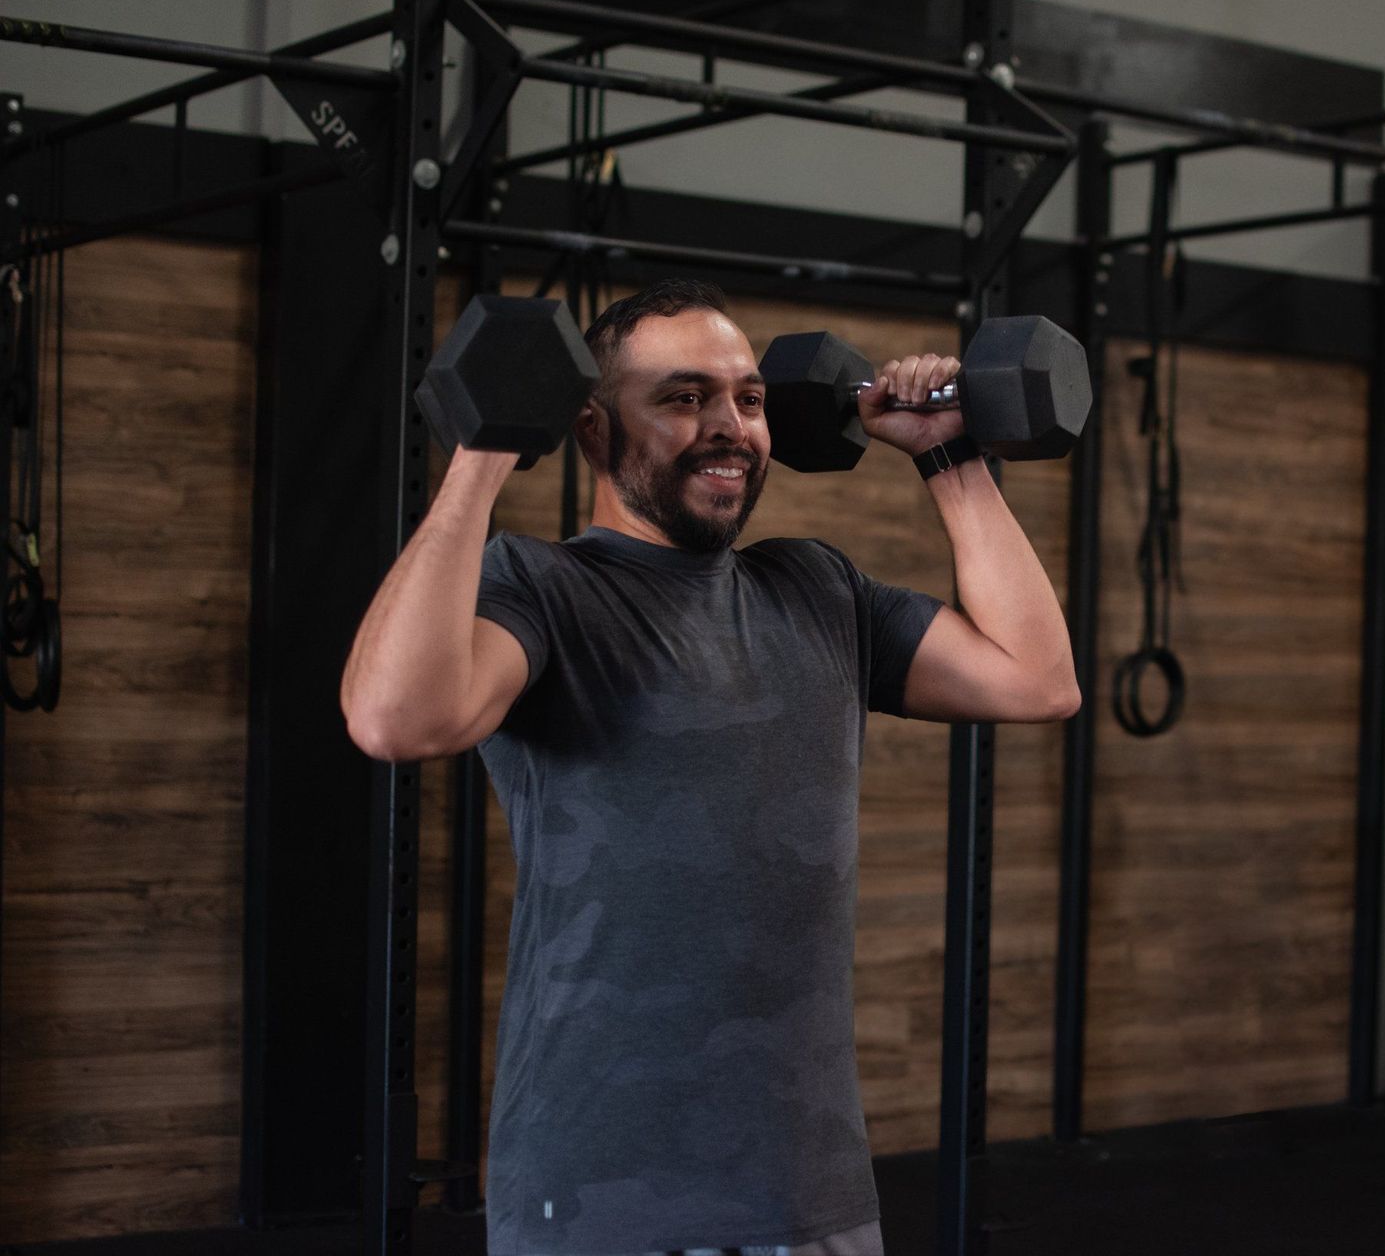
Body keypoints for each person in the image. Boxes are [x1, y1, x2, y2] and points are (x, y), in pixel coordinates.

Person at [339, 278, 1079, 1256]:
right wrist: (486, 450)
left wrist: (949, 454)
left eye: (749, 398)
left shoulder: (818, 588)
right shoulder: (546, 589)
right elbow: (396, 717)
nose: (728, 425)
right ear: (593, 429)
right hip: (602, 1201)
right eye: (685, 398)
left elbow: (1037, 679)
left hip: (812, 1195)